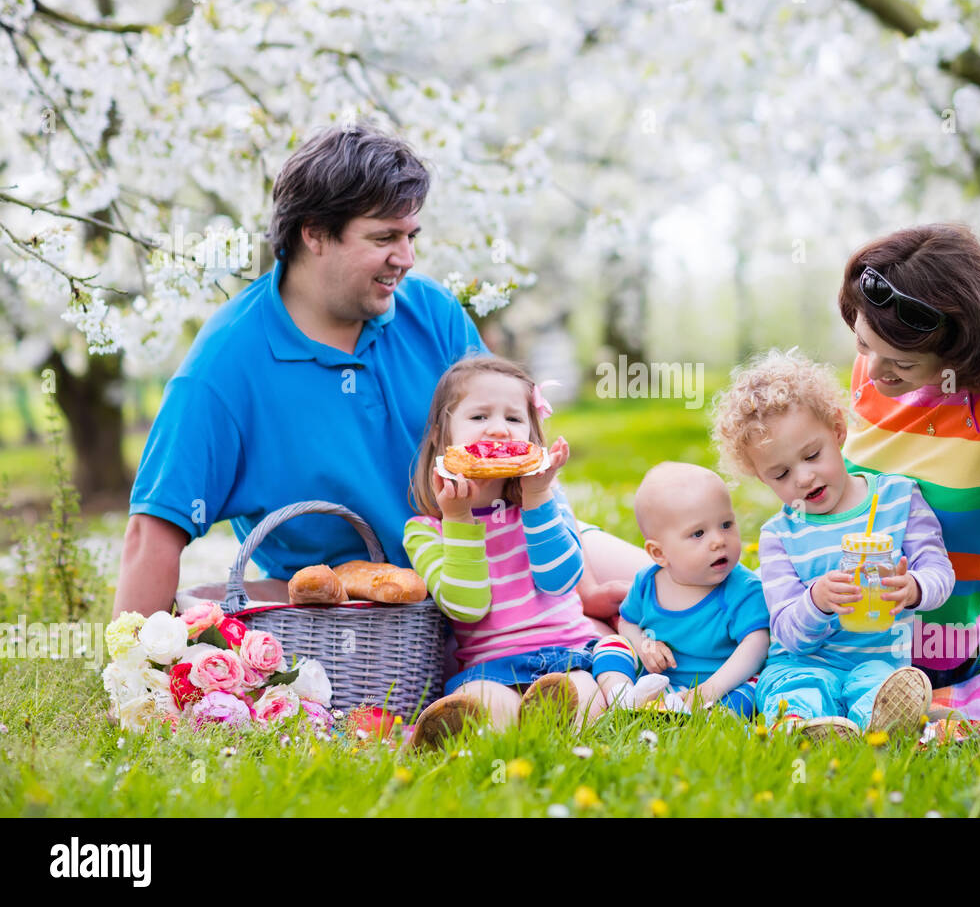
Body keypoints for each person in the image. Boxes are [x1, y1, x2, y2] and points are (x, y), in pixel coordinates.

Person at [113, 124, 644, 619]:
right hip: (370, 613)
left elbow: (523, 455)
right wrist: (138, 676)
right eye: (385, 238)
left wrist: (584, 586)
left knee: (687, 595)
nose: (407, 257)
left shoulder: (432, 312)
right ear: (315, 233)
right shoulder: (224, 366)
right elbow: (156, 529)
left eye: (412, 235)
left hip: (504, 550)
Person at [836, 224, 980, 726]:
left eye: (900, 364)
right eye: (861, 346)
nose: (873, 374)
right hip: (822, 628)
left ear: (958, 358)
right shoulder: (881, 355)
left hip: (929, 657)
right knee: (655, 579)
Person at [712, 349, 955, 739]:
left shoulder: (898, 498)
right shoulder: (779, 536)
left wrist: (914, 589)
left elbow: (940, 571)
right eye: (780, 473)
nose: (804, 478)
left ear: (838, 430)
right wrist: (817, 602)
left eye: (812, 455)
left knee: (880, 689)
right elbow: (787, 632)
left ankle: (875, 725)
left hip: (878, 661)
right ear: (762, 478)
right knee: (797, 690)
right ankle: (804, 727)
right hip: (801, 662)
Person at [403, 356, 607, 750]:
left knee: (581, 693)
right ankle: (480, 735)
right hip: (488, 669)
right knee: (489, 706)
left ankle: (555, 728)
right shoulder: (426, 530)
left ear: (532, 435)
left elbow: (561, 578)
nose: (498, 429)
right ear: (442, 438)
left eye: (514, 419)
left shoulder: (548, 501)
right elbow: (467, 606)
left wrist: (537, 496)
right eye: (479, 417)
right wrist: (459, 517)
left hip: (568, 655)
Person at [590, 462, 770, 717]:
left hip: (719, 686)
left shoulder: (742, 589)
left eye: (726, 524)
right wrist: (644, 646)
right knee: (610, 645)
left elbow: (757, 645)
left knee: (753, 684)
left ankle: (712, 715)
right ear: (659, 553)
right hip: (657, 684)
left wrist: (708, 690)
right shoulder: (647, 583)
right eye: (698, 533)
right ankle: (625, 699)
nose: (719, 540)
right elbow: (627, 623)